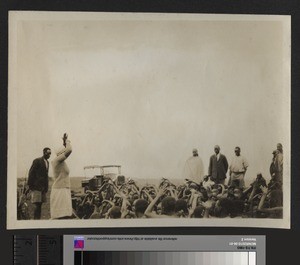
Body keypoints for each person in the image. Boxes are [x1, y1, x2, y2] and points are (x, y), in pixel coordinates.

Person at [50, 133, 73, 219]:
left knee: (65, 216)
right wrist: (67, 141)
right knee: (60, 217)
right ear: (61, 153)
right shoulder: (57, 161)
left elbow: (67, 150)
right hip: (60, 190)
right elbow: (69, 150)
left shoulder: (61, 161)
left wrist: (64, 142)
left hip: (63, 189)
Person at [27, 147, 51, 219]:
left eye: (50, 153)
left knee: (40, 205)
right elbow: (31, 173)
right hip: (36, 187)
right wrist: (31, 186)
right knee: (36, 205)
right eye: (48, 153)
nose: (49, 155)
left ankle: (38, 220)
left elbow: (46, 175)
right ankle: (35, 220)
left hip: (43, 188)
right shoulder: (37, 161)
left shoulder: (47, 162)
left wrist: (46, 187)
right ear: (44, 153)